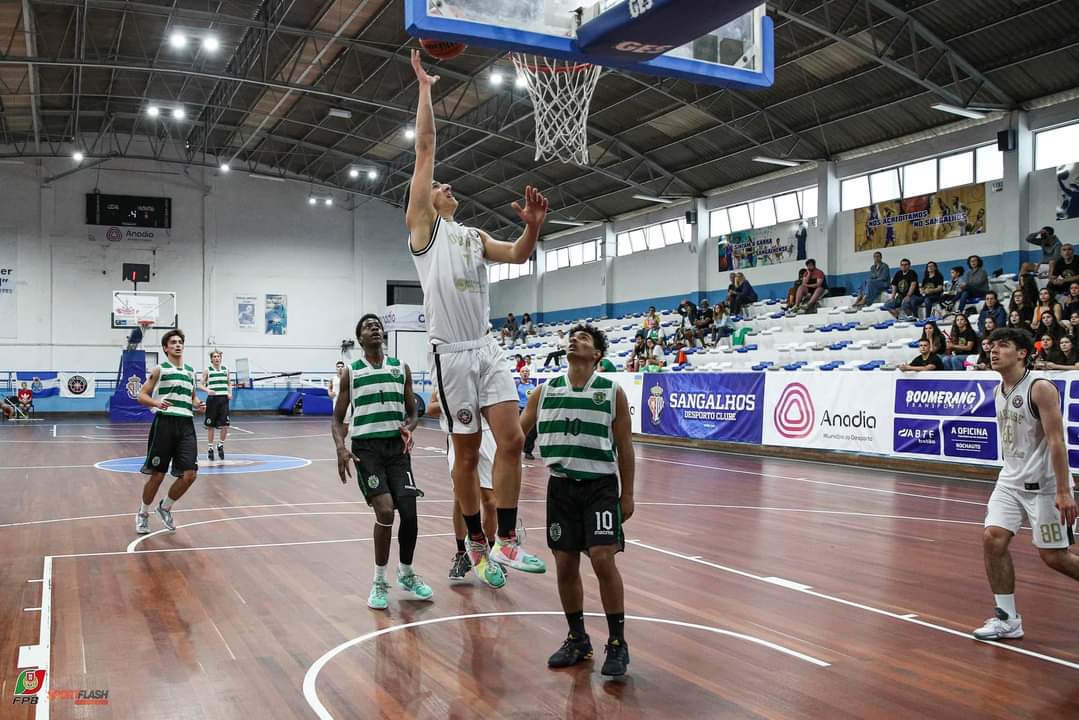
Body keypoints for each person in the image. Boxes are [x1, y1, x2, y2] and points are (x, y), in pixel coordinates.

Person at [406, 49, 547, 587]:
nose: (448, 188)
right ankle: (476, 542)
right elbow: (425, 149)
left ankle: (507, 539)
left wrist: (533, 226)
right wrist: (424, 87)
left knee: (511, 441)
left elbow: (517, 255)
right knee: (464, 458)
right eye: (441, 187)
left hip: (485, 346)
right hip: (450, 353)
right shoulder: (425, 230)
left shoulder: (472, 236)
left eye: (447, 187)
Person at [518, 324, 635, 677]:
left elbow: (625, 448)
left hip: (599, 485)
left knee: (602, 558)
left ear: (597, 355)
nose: (574, 340)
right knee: (565, 564)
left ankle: (617, 643)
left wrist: (627, 493)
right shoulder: (545, 391)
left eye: (584, 339)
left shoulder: (612, 392)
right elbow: (515, 435)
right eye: (572, 337)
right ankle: (578, 639)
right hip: (561, 487)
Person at [973, 327, 1079, 641]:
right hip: (1009, 482)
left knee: (1054, 557)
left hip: (1044, 487)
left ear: (1022, 353)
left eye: (1003, 346)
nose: (993, 350)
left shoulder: (1040, 388)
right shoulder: (998, 391)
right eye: (992, 346)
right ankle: (1007, 619)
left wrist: (1064, 490)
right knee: (993, 539)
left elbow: (1057, 442)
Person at [331, 314, 431, 610]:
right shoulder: (352, 371)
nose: (374, 328)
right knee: (386, 512)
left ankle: (407, 573)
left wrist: (408, 428)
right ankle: (379, 580)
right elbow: (337, 419)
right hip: (367, 450)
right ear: (359, 338)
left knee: (410, 514)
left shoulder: (401, 368)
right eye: (367, 326)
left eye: (377, 325)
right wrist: (340, 447)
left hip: (396, 450)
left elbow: (413, 413)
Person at [134, 329, 206, 535]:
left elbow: (192, 398)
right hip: (164, 423)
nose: (177, 345)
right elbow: (142, 396)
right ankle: (143, 513)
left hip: (186, 425)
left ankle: (165, 507)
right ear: (166, 348)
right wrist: (156, 402)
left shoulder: (190, 372)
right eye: (173, 342)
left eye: (180, 342)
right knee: (157, 475)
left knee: (190, 475)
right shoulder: (160, 369)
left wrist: (197, 404)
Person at [427, 392, 498, 584]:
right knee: (460, 497)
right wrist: (455, 403)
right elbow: (431, 408)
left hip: (487, 435)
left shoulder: (488, 370)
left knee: (491, 502)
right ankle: (462, 553)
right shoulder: (449, 373)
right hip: (459, 434)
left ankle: (491, 552)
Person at [199, 350, 232, 462]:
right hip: (212, 400)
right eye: (215, 356)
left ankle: (220, 445)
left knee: (225, 425)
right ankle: (210, 448)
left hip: (223, 399)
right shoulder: (207, 370)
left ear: (221, 358)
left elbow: (229, 383)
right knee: (210, 426)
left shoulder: (226, 370)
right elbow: (200, 384)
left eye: (218, 356)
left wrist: (230, 392)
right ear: (211, 359)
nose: (217, 358)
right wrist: (207, 390)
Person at [517, 366, 540, 460]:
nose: (525, 373)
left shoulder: (533, 386)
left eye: (527, 371)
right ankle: (522, 450)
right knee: (519, 431)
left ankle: (527, 450)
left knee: (533, 432)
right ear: (520, 373)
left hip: (531, 410)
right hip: (520, 410)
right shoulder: (516, 385)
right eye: (523, 371)